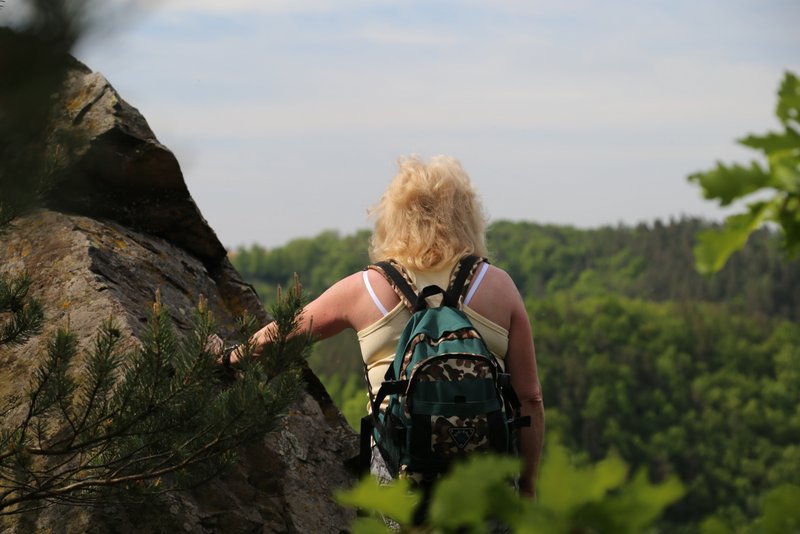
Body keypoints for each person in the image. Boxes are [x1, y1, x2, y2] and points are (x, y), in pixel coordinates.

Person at [221, 155, 545, 497]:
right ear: (468, 216)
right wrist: (527, 487)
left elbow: (283, 333)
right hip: (486, 485)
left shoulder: (366, 288)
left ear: (392, 217)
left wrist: (228, 358)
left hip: (400, 482)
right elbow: (530, 398)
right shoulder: (498, 286)